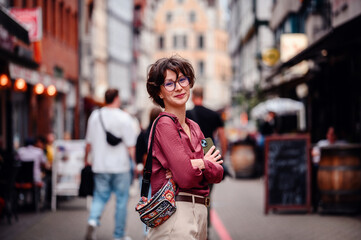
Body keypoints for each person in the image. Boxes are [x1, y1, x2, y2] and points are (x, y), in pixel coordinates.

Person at [146, 56, 224, 239]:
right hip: (176, 214)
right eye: (170, 84)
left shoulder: (195, 127)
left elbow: (218, 172)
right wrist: (203, 163)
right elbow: (186, 177)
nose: (179, 87)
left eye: (182, 80)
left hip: (200, 212)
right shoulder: (164, 124)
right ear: (159, 92)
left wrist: (197, 163)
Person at [84, 88, 137, 240]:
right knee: (121, 201)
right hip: (121, 166)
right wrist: (133, 165)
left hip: (100, 164)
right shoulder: (124, 117)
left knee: (99, 196)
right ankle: (118, 235)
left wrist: (86, 159)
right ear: (117, 99)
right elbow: (131, 146)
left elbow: (88, 142)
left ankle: (93, 220)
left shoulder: (95, 116)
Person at [186, 86, 228, 236]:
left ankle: (193, 228)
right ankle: (206, 229)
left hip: (192, 159)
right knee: (207, 196)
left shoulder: (187, 114)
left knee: (191, 195)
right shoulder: (214, 115)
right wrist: (222, 155)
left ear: (192, 97)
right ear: (203, 96)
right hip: (209, 156)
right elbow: (223, 137)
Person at [135, 107, 162, 238]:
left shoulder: (144, 132)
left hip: (145, 174)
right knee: (160, 202)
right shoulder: (162, 133)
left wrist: (139, 166)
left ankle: (146, 231)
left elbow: (138, 153)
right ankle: (159, 229)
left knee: (146, 203)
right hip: (160, 174)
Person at [311, 126, 347, 211]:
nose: (331, 136)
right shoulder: (322, 144)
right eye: (329, 134)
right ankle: (319, 200)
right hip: (323, 170)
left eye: (333, 134)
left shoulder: (342, 144)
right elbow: (314, 156)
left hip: (339, 171)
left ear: (336, 136)